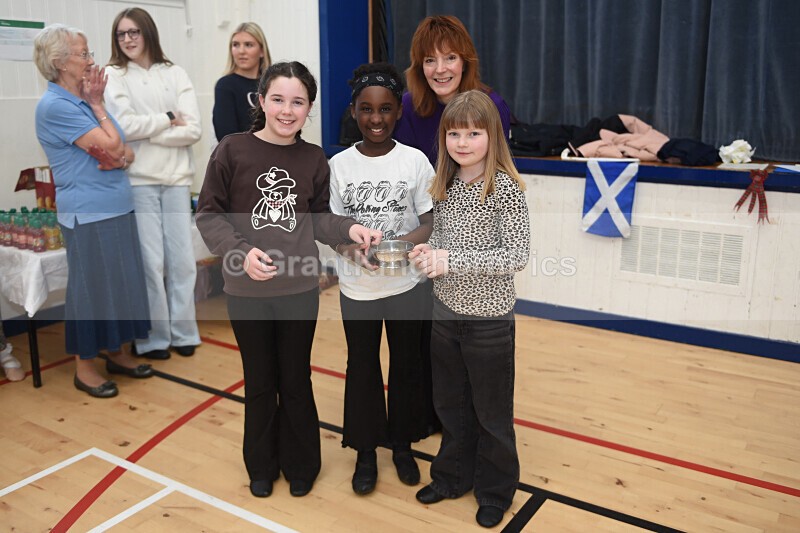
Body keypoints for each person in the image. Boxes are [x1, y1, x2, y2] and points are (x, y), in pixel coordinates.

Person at [196, 61, 382, 499]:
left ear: (309, 108)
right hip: (246, 293)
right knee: (260, 381)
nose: (286, 110)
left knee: (296, 380)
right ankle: (260, 466)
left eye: (298, 102)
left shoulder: (314, 157)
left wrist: (349, 230)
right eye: (278, 99)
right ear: (261, 101)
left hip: (299, 290)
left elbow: (319, 219)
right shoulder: (230, 150)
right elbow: (208, 214)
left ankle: (303, 464)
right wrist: (240, 253)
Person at [408, 90, 530, 529]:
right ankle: (451, 477)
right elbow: (443, 244)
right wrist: (428, 251)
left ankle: (495, 491)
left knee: (492, 415)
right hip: (446, 318)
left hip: (489, 325)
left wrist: (451, 259)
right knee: (451, 406)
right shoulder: (444, 186)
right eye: (455, 133)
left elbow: (515, 256)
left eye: (473, 133)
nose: (463, 142)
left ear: (491, 136)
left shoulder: (506, 191)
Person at [328, 62, 436, 495]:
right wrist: (349, 248)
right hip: (358, 289)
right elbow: (332, 226)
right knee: (363, 368)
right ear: (354, 111)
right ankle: (366, 450)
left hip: (407, 286)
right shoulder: (338, 165)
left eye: (386, 109)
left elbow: (430, 218)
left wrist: (403, 245)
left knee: (408, 366)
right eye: (367, 109)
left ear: (398, 113)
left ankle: (403, 444)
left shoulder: (414, 161)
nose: (377, 119)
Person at [33, 23, 154, 398]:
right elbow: (113, 146)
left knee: (119, 285)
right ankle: (84, 368)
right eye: (83, 54)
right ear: (59, 62)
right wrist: (102, 111)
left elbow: (125, 151)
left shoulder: (84, 100)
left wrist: (113, 149)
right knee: (90, 292)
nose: (91, 60)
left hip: (115, 205)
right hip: (87, 213)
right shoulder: (56, 105)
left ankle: (115, 353)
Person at [104, 7, 202, 360]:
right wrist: (166, 120)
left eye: (134, 32)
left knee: (182, 261)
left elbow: (194, 130)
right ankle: (153, 338)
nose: (128, 39)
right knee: (150, 264)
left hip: (176, 181)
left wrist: (147, 134)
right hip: (139, 182)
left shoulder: (174, 73)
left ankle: (184, 332)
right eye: (121, 34)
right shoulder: (113, 75)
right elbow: (123, 127)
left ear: (148, 33)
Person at [394, 14, 512, 165]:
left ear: (464, 62)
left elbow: (499, 172)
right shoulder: (408, 107)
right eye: (430, 60)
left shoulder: (493, 106)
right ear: (420, 67)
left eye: (450, 58)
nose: (440, 69)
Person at [213, 22, 271, 142]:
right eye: (235, 45)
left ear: (261, 51)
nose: (241, 51)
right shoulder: (225, 86)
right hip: (242, 158)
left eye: (248, 45)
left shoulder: (272, 85)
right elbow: (227, 137)